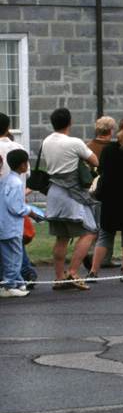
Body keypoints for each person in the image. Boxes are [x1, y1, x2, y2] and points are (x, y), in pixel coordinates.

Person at [43, 107, 98, 290]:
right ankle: (73, 272)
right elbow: (95, 160)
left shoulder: (46, 141)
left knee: (62, 237)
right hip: (71, 192)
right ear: (70, 123)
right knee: (90, 230)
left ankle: (58, 277)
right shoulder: (74, 142)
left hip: (54, 192)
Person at [87, 115, 123, 281]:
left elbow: (102, 171)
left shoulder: (108, 150)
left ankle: (93, 271)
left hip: (111, 195)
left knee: (105, 234)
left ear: (117, 130)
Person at [0, 113, 36, 289]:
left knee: (8, 241)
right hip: (15, 203)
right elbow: (27, 174)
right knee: (14, 240)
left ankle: (14, 277)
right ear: (8, 128)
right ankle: (22, 272)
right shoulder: (17, 147)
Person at [1, 148, 32, 298]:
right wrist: (30, 211)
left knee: (7, 256)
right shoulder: (17, 183)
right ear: (23, 165)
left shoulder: (6, 180)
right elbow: (16, 207)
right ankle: (9, 285)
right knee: (14, 256)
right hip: (12, 226)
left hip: (4, 224)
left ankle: (17, 282)